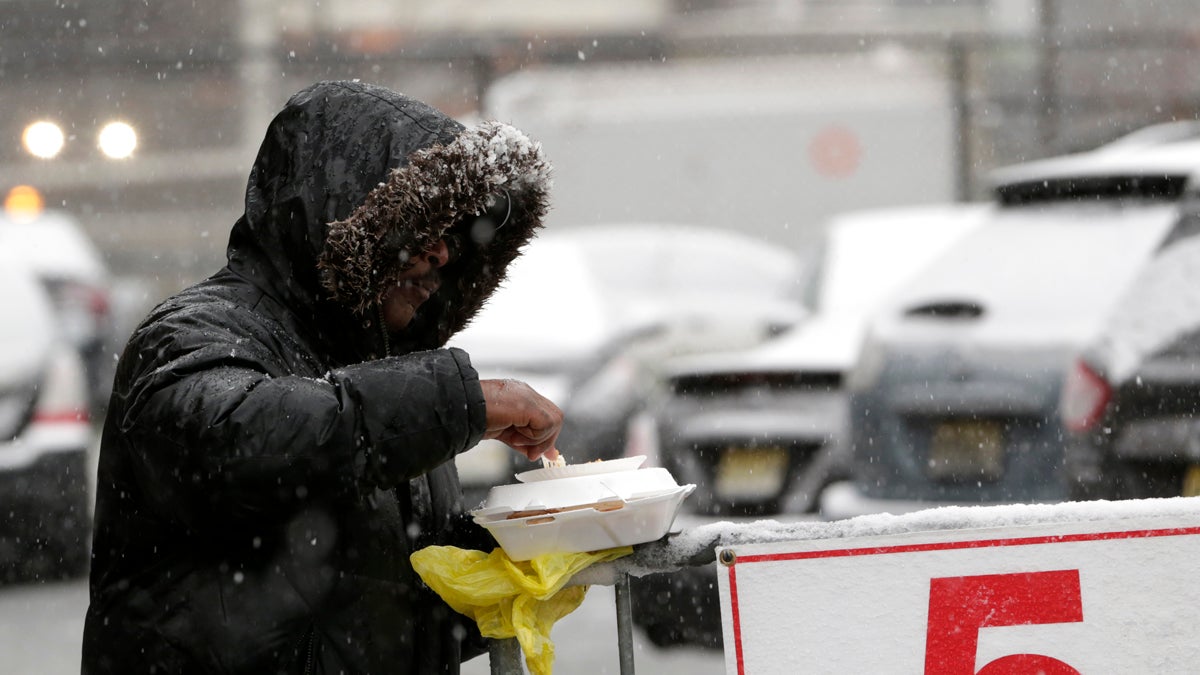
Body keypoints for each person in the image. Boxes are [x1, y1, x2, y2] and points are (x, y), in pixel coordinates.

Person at [81, 80, 563, 674]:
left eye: (455, 236)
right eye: (420, 226)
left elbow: (376, 602)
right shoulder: (191, 332)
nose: (442, 255)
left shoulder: (387, 378)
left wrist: (524, 547)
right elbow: (238, 446)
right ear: (341, 215)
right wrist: (457, 403)